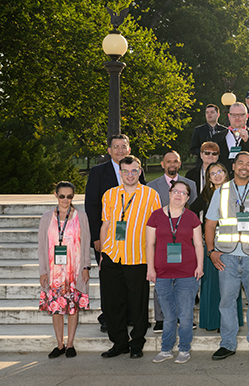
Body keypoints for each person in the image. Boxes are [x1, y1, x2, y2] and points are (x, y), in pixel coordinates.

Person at [205, 152, 249, 362]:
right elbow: (210, 223)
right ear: (233, 166)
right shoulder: (222, 191)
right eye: (240, 163)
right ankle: (227, 343)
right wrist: (211, 251)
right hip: (226, 256)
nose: (244, 166)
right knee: (226, 302)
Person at [99, 155, 162, 359]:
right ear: (120, 173)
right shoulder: (109, 194)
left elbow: (155, 228)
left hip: (138, 257)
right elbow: (106, 225)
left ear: (140, 171)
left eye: (134, 171)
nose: (130, 175)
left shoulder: (151, 195)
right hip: (112, 256)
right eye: (125, 171)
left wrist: (153, 260)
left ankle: (136, 344)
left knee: (138, 303)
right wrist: (102, 254)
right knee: (112, 303)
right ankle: (119, 343)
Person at [84, 134, 145, 333]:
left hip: (134, 241)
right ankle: (108, 317)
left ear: (129, 149)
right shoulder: (98, 172)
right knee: (109, 281)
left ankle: (130, 315)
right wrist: (96, 238)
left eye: (124, 146)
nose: (120, 150)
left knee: (131, 280)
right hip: (108, 238)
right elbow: (92, 207)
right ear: (109, 151)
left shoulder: (136, 170)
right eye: (116, 147)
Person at [145, 180, 204, 364]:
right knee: (169, 316)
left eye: (183, 193)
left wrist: (200, 266)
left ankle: (184, 348)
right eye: (175, 191)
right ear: (169, 193)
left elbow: (198, 244)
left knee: (185, 315)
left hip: (187, 274)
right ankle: (166, 349)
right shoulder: (155, 216)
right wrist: (150, 268)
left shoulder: (192, 217)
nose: (178, 195)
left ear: (187, 197)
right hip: (162, 274)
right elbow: (150, 244)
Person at [146, 150, 198, 331]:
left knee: (185, 281)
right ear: (162, 164)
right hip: (162, 241)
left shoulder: (190, 184)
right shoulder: (152, 187)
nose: (172, 164)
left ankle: (185, 316)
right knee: (161, 281)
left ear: (180, 163)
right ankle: (161, 318)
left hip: (183, 240)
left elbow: (193, 213)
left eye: (175, 161)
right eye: (168, 161)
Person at [38, 181, 91, 358]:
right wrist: (42, 271)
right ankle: (59, 344)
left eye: (69, 196)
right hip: (53, 273)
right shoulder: (47, 218)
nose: (65, 200)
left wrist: (85, 267)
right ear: (56, 195)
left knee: (73, 308)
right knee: (56, 309)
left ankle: (70, 345)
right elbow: (41, 247)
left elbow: (86, 243)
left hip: (73, 271)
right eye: (62, 196)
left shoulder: (81, 216)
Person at [189, 163, 245, 331]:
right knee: (213, 285)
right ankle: (213, 321)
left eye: (220, 171)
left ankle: (228, 322)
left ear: (226, 173)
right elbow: (190, 212)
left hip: (232, 245)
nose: (217, 175)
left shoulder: (236, 191)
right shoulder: (205, 195)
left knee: (230, 287)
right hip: (212, 246)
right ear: (209, 178)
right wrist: (201, 233)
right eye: (212, 173)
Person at [211, 102, 249, 172]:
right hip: (224, 180)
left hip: (248, 180)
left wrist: (248, 141)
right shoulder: (217, 137)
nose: (237, 117)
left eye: (241, 115)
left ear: (247, 116)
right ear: (229, 116)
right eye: (234, 115)